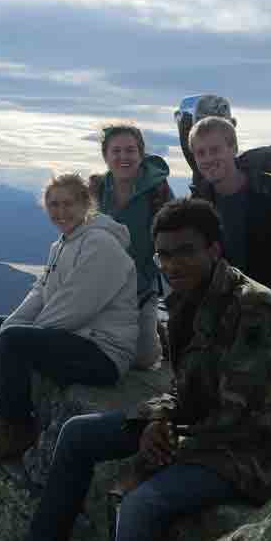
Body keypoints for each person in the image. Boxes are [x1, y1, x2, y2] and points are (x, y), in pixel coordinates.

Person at [17, 197, 271, 541]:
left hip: (268, 452)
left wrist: (169, 444)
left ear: (214, 250)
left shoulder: (255, 311)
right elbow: (184, 387)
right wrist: (157, 419)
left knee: (142, 505)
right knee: (77, 434)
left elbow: (247, 420)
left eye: (185, 252)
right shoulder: (188, 299)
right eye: (163, 255)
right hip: (206, 427)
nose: (171, 265)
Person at [0, 173, 139, 463]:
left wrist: (19, 338)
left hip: (104, 354)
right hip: (76, 338)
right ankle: (5, 415)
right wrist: (10, 327)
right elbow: (41, 292)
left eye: (68, 204)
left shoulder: (100, 244)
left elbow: (77, 306)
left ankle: (18, 431)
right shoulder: (62, 244)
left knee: (12, 340)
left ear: (86, 203)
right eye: (53, 205)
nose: (60, 212)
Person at [186, 114, 271, 317]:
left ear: (233, 149)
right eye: (201, 153)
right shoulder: (199, 201)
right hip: (224, 307)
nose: (208, 158)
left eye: (215, 150)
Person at [87, 122, 172, 369]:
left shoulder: (158, 190)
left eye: (130, 150)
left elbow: (174, 236)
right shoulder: (96, 189)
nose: (123, 157)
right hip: (100, 288)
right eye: (116, 151)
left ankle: (155, 331)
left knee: (143, 360)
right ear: (105, 155)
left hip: (140, 288)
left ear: (141, 153)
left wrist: (154, 278)